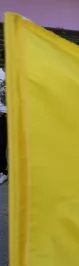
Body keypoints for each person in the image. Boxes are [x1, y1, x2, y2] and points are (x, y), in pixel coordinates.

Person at [0, 50, 7, 184]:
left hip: (18, 115)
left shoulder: (20, 72)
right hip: (2, 115)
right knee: (1, 144)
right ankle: (3, 171)